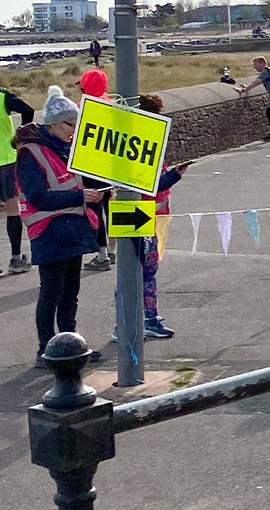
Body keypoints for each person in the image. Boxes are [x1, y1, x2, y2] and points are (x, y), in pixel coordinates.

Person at [15, 86, 105, 366]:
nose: (74, 130)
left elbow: (74, 183)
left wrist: (96, 191)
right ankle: (45, 350)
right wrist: (80, 196)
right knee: (51, 293)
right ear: (52, 123)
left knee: (70, 294)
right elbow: (37, 196)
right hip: (49, 231)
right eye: (69, 124)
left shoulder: (66, 148)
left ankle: (71, 345)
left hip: (72, 227)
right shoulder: (31, 152)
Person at [110, 94, 192, 341]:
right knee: (132, 269)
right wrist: (174, 176)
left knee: (143, 270)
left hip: (144, 215)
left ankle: (145, 318)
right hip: (135, 213)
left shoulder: (135, 141)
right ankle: (127, 323)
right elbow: (146, 184)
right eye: (155, 117)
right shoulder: (136, 144)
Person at [78, 68, 115, 271]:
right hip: (112, 166)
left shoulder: (81, 108)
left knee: (95, 211)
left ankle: (101, 255)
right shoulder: (114, 106)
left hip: (90, 167)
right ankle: (114, 251)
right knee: (112, 208)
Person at [1, 85, 36, 275]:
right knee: (12, 211)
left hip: (5, 161)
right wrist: (19, 136)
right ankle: (15, 258)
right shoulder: (3, 96)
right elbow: (28, 110)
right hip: (5, 160)